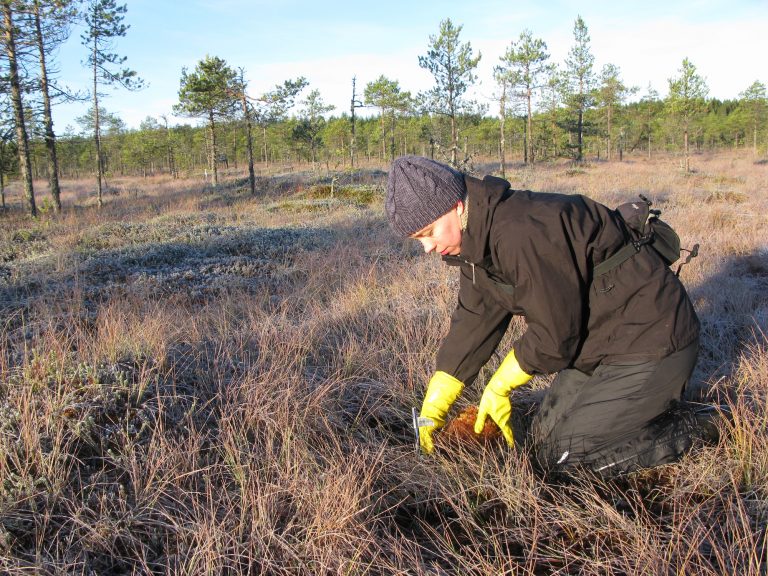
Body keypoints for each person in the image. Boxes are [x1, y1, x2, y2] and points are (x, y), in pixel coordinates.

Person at [386, 155, 721, 478]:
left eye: (429, 232)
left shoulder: (521, 230)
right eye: (418, 239)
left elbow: (556, 332)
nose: (427, 247)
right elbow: (476, 314)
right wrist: (441, 391)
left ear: (456, 206)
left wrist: (500, 385)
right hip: (599, 344)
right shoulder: (475, 242)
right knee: (541, 442)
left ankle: (699, 425)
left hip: (653, 341)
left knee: (566, 457)